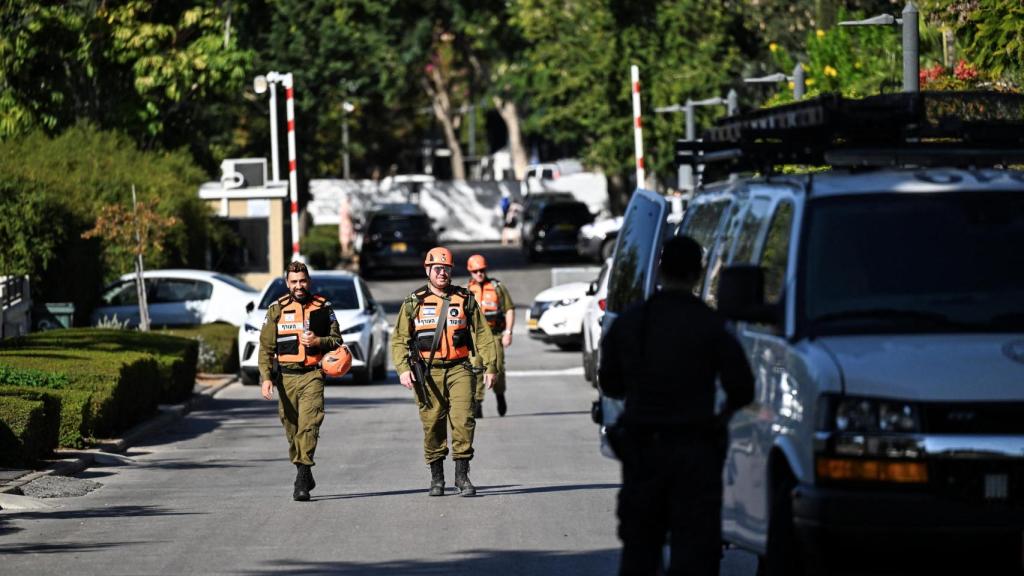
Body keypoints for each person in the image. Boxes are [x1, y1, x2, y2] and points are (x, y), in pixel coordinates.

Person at [599, 235, 754, 576]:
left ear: (660, 269)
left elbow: (610, 381)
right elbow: (743, 387)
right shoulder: (711, 325)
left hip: (643, 451)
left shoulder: (631, 322)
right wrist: (719, 420)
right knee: (696, 552)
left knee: (641, 549)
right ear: (698, 273)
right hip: (696, 452)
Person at [390, 247, 498, 497]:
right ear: (428, 270)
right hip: (427, 373)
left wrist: (491, 366)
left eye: (446, 269)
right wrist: (403, 369)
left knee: (463, 420)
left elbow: (482, 333)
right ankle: (436, 477)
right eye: (437, 269)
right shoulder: (413, 302)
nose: (442, 273)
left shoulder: (464, 298)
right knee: (432, 425)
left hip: (460, 368)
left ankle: (462, 475)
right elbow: (399, 339)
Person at [259, 261, 344, 502]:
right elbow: (266, 348)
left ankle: (302, 478)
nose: (299, 286)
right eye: (294, 282)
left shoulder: (322, 307)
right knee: (292, 428)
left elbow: (337, 340)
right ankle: (303, 471)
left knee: (309, 425)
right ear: (287, 283)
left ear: (309, 282)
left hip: (312, 375)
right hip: (285, 378)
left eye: (303, 281)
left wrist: (318, 341)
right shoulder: (276, 309)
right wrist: (266, 378)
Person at [466, 254, 515, 417]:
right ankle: (478, 403)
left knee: (497, 367)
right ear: (470, 272)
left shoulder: (497, 287)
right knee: (476, 368)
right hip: (474, 336)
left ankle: (500, 395)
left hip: (494, 335)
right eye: (475, 271)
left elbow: (509, 309)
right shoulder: (465, 291)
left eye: (482, 270)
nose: (479, 274)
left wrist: (508, 332)